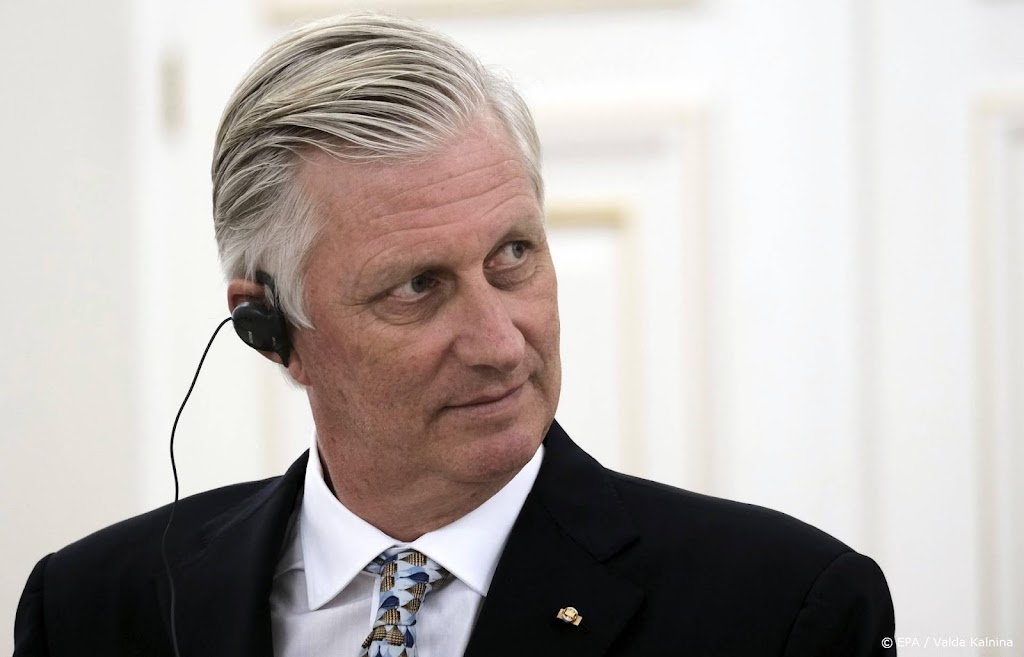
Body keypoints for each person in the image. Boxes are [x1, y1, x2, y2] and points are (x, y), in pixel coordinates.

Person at [14, 13, 896, 657]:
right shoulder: (91, 607)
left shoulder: (785, 609)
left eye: (513, 256)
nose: (501, 344)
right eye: (417, 287)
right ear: (269, 328)